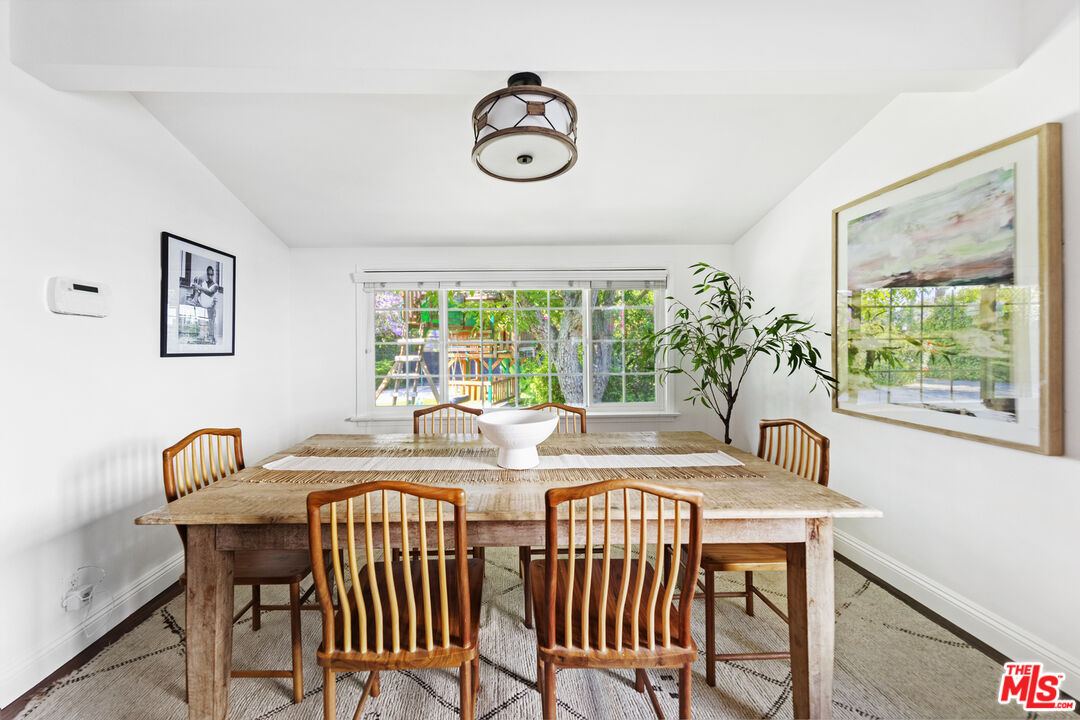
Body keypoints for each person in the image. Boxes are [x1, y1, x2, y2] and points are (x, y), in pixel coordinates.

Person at [189, 265, 221, 343]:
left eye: (212, 274)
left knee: (211, 327)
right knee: (201, 327)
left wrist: (199, 287)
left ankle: (212, 340)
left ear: (213, 274)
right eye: (208, 274)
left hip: (210, 309)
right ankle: (201, 339)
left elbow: (210, 293)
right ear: (207, 274)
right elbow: (198, 291)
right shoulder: (203, 283)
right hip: (201, 307)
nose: (210, 276)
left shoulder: (216, 285)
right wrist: (196, 286)